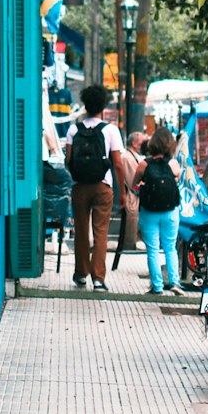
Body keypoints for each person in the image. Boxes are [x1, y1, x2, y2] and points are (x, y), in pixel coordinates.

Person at [65, 85, 125, 291]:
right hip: (103, 186)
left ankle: (80, 274)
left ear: (85, 105)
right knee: (101, 232)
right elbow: (117, 163)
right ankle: (98, 278)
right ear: (103, 107)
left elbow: (68, 159)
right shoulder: (110, 130)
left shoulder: (74, 129)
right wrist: (122, 193)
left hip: (79, 186)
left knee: (81, 230)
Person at [132, 125, 185, 295]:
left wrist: (142, 189)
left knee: (153, 249)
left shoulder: (144, 164)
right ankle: (175, 283)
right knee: (170, 247)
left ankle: (157, 286)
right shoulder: (174, 164)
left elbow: (134, 185)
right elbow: (178, 180)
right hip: (170, 212)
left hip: (148, 212)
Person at [117, 130, 147, 253]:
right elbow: (133, 181)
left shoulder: (131, 156)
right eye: (142, 142)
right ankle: (129, 245)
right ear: (134, 143)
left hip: (133, 195)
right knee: (130, 221)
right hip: (131, 196)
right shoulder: (127, 158)